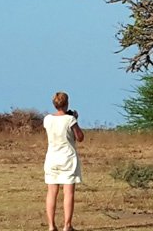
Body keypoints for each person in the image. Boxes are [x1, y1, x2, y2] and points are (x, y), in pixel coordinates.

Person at [43, 91, 85, 231]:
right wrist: (74, 119)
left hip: (52, 158)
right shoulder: (70, 120)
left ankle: (51, 225)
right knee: (68, 193)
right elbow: (80, 137)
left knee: (51, 192)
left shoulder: (47, 119)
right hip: (67, 158)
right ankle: (67, 225)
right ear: (67, 104)